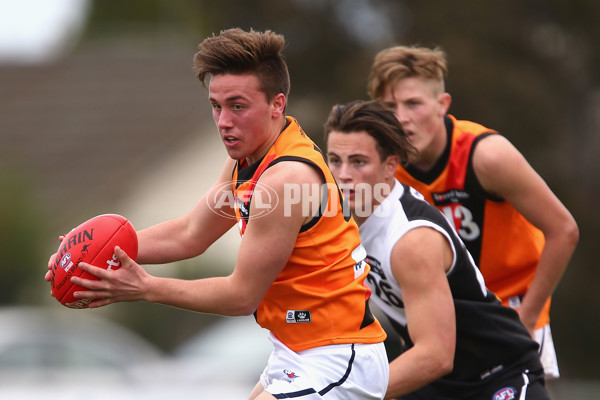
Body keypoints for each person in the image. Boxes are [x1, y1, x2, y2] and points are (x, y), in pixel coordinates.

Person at [45, 28, 389, 400]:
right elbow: (190, 233)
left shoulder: (286, 178)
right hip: (294, 349)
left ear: (277, 104)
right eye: (216, 105)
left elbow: (242, 296)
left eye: (238, 106)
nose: (224, 120)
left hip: (338, 353)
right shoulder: (247, 161)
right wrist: (92, 254)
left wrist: (146, 288)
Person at [366, 45, 579, 379]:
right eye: (389, 106)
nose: (401, 117)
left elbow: (564, 231)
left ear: (442, 105)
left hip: (508, 311)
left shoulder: (486, 156)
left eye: (413, 103)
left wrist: (528, 317)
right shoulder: (380, 169)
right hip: (441, 320)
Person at [325, 100, 551, 399]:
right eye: (334, 160)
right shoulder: (338, 220)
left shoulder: (411, 239)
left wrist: (341, 393)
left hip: (497, 375)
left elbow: (435, 356)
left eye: (358, 162)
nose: (343, 174)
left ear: (390, 166)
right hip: (439, 384)